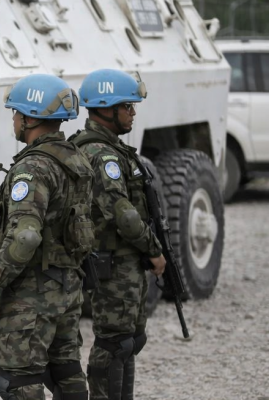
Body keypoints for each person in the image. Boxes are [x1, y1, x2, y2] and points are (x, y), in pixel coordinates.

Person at [0, 74, 94, 400]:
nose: (13, 119)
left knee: (19, 382)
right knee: (66, 373)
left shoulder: (33, 168)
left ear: (29, 118)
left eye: (16, 113)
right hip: (68, 288)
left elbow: (25, 237)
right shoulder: (77, 160)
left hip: (31, 295)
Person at [68, 69, 167, 400]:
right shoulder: (102, 154)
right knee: (114, 343)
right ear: (106, 107)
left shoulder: (113, 150)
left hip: (123, 260)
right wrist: (154, 249)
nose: (133, 113)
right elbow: (121, 212)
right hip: (111, 262)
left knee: (129, 341)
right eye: (128, 106)